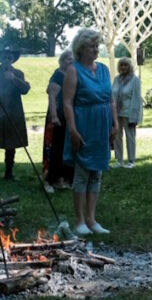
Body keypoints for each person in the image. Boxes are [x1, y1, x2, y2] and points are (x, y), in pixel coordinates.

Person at [63, 28, 116, 237]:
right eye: (91, 46)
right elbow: (67, 103)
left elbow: (110, 99)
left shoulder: (103, 69)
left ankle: (92, 219)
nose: (95, 49)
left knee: (97, 174)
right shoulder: (73, 70)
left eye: (97, 45)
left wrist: (115, 124)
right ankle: (80, 221)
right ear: (81, 48)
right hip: (84, 124)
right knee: (83, 173)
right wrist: (73, 130)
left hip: (102, 127)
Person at [0, 46, 31, 182]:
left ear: (13, 59)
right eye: (4, 57)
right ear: (0, 58)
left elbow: (25, 89)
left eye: (10, 57)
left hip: (14, 114)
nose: (7, 59)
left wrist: (13, 78)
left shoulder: (18, 73)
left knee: (11, 145)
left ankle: (8, 173)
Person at [43, 50, 75, 190]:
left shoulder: (70, 75)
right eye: (68, 59)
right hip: (57, 117)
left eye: (72, 59)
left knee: (66, 148)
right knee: (55, 148)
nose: (70, 61)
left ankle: (64, 179)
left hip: (68, 116)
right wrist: (54, 116)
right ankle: (51, 180)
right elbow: (52, 97)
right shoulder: (57, 76)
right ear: (62, 61)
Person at [111, 57, 142, 168]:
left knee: (130, 137)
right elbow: (112, 95)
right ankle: (119, 160)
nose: (123, 67)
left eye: (125, 65)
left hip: (129, 113)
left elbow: (136, 99)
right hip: (116, 113)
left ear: (129, 67)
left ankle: (131, 161)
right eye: (121, 65)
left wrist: (134, 117)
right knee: (117, 137)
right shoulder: (116, 79)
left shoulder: (135, 80)